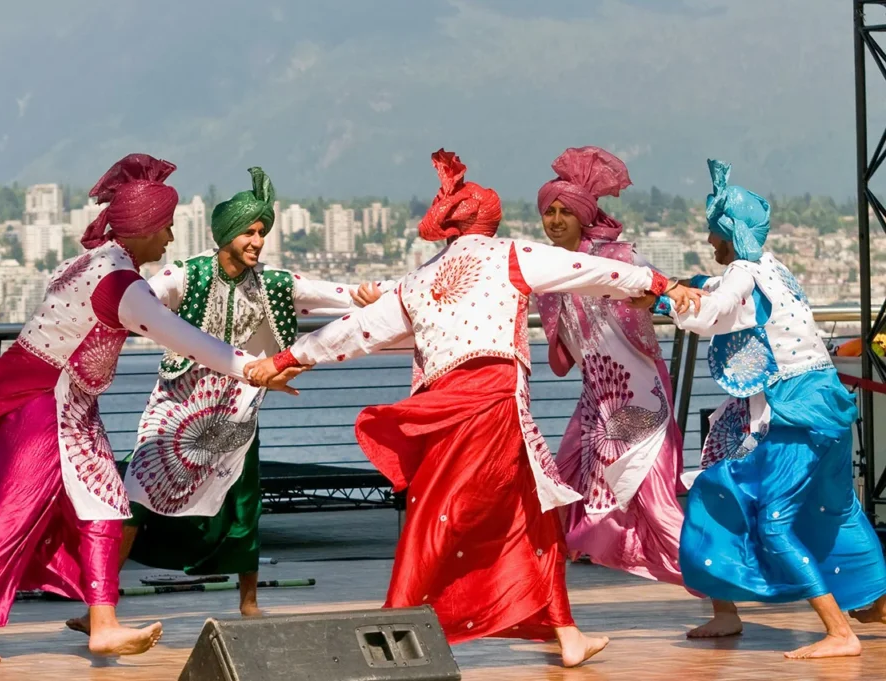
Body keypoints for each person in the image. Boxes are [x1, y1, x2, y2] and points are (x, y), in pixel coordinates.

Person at [245, 149, 701, 667]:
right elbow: (589, 269)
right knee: (495, 519)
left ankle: (562, 633)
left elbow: (356, 331)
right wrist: (659, 284)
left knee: (461, 515)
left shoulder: (419, 279)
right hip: (495, 405)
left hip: (439, 409)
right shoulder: (509, 255)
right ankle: (395, 626)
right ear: (492, 219)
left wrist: (287, 357)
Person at [0, 154, 302, 663]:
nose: (170, 239)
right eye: (166, 227)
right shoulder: (121, 285)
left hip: (73, 404)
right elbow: (190, 340)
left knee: (106, 506)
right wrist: (254, 369)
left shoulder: (95, 263)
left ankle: (103, 624)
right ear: (145, 227)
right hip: (41, 408)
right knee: (11, 514)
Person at [66, 167, 384, 635]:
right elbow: (131, 303)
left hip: (237, 416)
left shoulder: (276, 284)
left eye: (262, 232)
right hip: (176, 413)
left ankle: (249, 604)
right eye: (250, 232)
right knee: (132, 499)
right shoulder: (185, 275)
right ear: (226, 234)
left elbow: (339, 295)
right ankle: (101, 607)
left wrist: (368, 295)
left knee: (243, 506)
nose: (257, 240)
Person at [642, 159, 886, 659]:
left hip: (796, 413)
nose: (710, 242)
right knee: (834, 509)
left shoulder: (742, 272)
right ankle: (874, 608)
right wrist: (687, 283)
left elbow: (711, 313)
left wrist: (664, 299)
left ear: (728, 231)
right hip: (827, 406)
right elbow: (724, 295)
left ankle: (840, 632)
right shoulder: (772, 266)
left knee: (772, 518)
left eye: (713, 232)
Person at [534, 146, 686, 587]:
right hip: (596, 404)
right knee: (555, 491)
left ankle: (721, 595)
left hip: (641, 399)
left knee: (656, 502)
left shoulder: (616, 258)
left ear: (584, 216)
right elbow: (565, 356)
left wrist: (659, 297)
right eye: (550, 211)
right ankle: (546, 604)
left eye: (566, 211)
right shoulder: (547, 274)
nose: (556, 220)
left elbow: (661, 290)